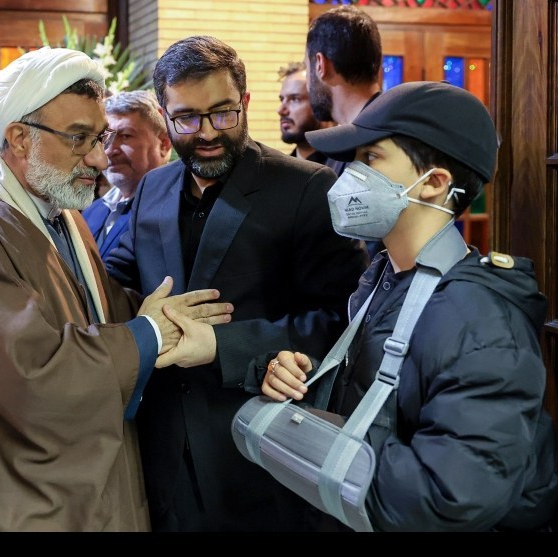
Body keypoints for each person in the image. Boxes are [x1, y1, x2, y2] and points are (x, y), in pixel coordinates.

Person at [0, 46, 233, 532]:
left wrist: (167, 318)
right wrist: (148, 335)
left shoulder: (62, 214)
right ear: (19, 137)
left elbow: (101, 310)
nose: (98, 157)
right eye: (79, 138)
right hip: (25, 492)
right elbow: (32, 377)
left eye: (99, 137)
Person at [258, 81, 558, 531]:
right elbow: (386, 400)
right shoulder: (385, 277)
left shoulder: (477, 318)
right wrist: (305, 380)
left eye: (370, 158)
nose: (349, 175)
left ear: (434, 183)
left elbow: (451, 496)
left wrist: (320, 441)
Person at [104, 35, 369, 532]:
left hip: (255, 457)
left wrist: (222, 345)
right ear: (163, 114)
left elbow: (343, 321)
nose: (207, 132)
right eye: (187, 118)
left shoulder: (306, 187)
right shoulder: (154, 187)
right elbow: (116, 280)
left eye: (223, 113)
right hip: (157, 453)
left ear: (245, 102)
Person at [305, 5, 383, 259]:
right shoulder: (347, 139)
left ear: (320, 65)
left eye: (307, 68)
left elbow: (365, 258)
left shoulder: (376, 149)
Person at [83, 90, 171, 262]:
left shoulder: (175, 210)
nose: (110, 150)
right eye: (105, 138)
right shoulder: (90, 212)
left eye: (125, 136)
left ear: (164, 144)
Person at [277, 62, 330, 163]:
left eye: (295, 99)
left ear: (324, 103)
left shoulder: (348, 166)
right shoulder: (283, 168)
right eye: (282, 99)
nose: (280, 111)